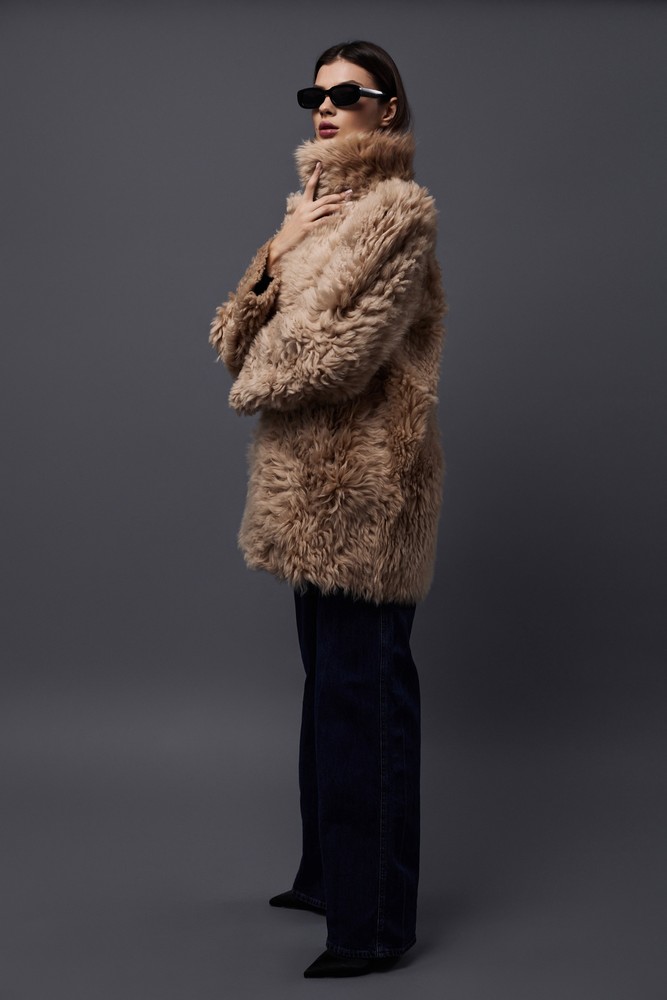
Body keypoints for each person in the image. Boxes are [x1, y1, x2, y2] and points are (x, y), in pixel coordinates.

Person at [209, 40, 447, 979]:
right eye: (316, 90)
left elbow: (332, 355)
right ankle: (325, 877)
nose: (325, 104)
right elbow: (235, 338)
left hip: (366, 495)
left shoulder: (397, 213)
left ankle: (373, 924)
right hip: (302, 491)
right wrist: (279, 246)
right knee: (328, 692)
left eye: (348, 92)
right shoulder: (310, 213)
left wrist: (253, 380)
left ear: (388, 110)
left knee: (363, 701)